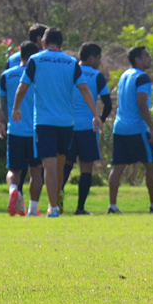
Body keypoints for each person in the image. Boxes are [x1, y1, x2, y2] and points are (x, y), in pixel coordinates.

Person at [11, 28, 102, 218]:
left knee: (49, 165)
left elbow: (23, 86)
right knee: (59, 164)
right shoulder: (71, 62)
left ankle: (53, 208)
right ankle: (56, 204)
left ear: (43, 43)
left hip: (44, 121)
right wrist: (96, 114)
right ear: (62, 44)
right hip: (66, 122)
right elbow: (84, 88)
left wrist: (16, 107)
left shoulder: (36, 60)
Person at [107, 47, 153, 214]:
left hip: (119, 127)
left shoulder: (124, 75)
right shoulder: (142, 78)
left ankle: (112, 206)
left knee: (118, 167)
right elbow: (142, 104)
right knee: (150, 164)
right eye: (146, 56)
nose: (149, 58)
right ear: (137, 60)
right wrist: (152, 128)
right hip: (137, 128)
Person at [61, 43, 112, 215]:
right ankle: (80, 208)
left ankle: (56, 200)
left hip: (68, 126)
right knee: (86, 167)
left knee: (66, 164)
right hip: (87, 128)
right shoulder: (97, 76)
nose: (99, 62)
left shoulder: (69, 71)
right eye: (98, 58)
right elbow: (108, 103)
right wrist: (100, 120)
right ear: (91, 57)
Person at [0, 41, 44, 216]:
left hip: (14, 131)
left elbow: (2, 105)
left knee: (13, 170)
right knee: (36, 170)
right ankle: (32, 208)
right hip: (35, 131)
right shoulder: (38, 76)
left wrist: (5, 121)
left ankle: (13, 190)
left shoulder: (6, 75)